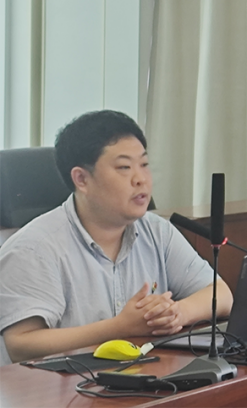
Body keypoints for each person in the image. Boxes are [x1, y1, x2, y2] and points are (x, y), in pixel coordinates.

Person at [0, 110, 231, 364]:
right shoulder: (34, 248)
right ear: (81, 179)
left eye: (144, 164)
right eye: (124, 167)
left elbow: (221, 294)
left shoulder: (157, 231)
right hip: (60, 384)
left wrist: (175, 313)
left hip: (142, 376)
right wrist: (119, 327)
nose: (141, 179)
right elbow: (21, 345)